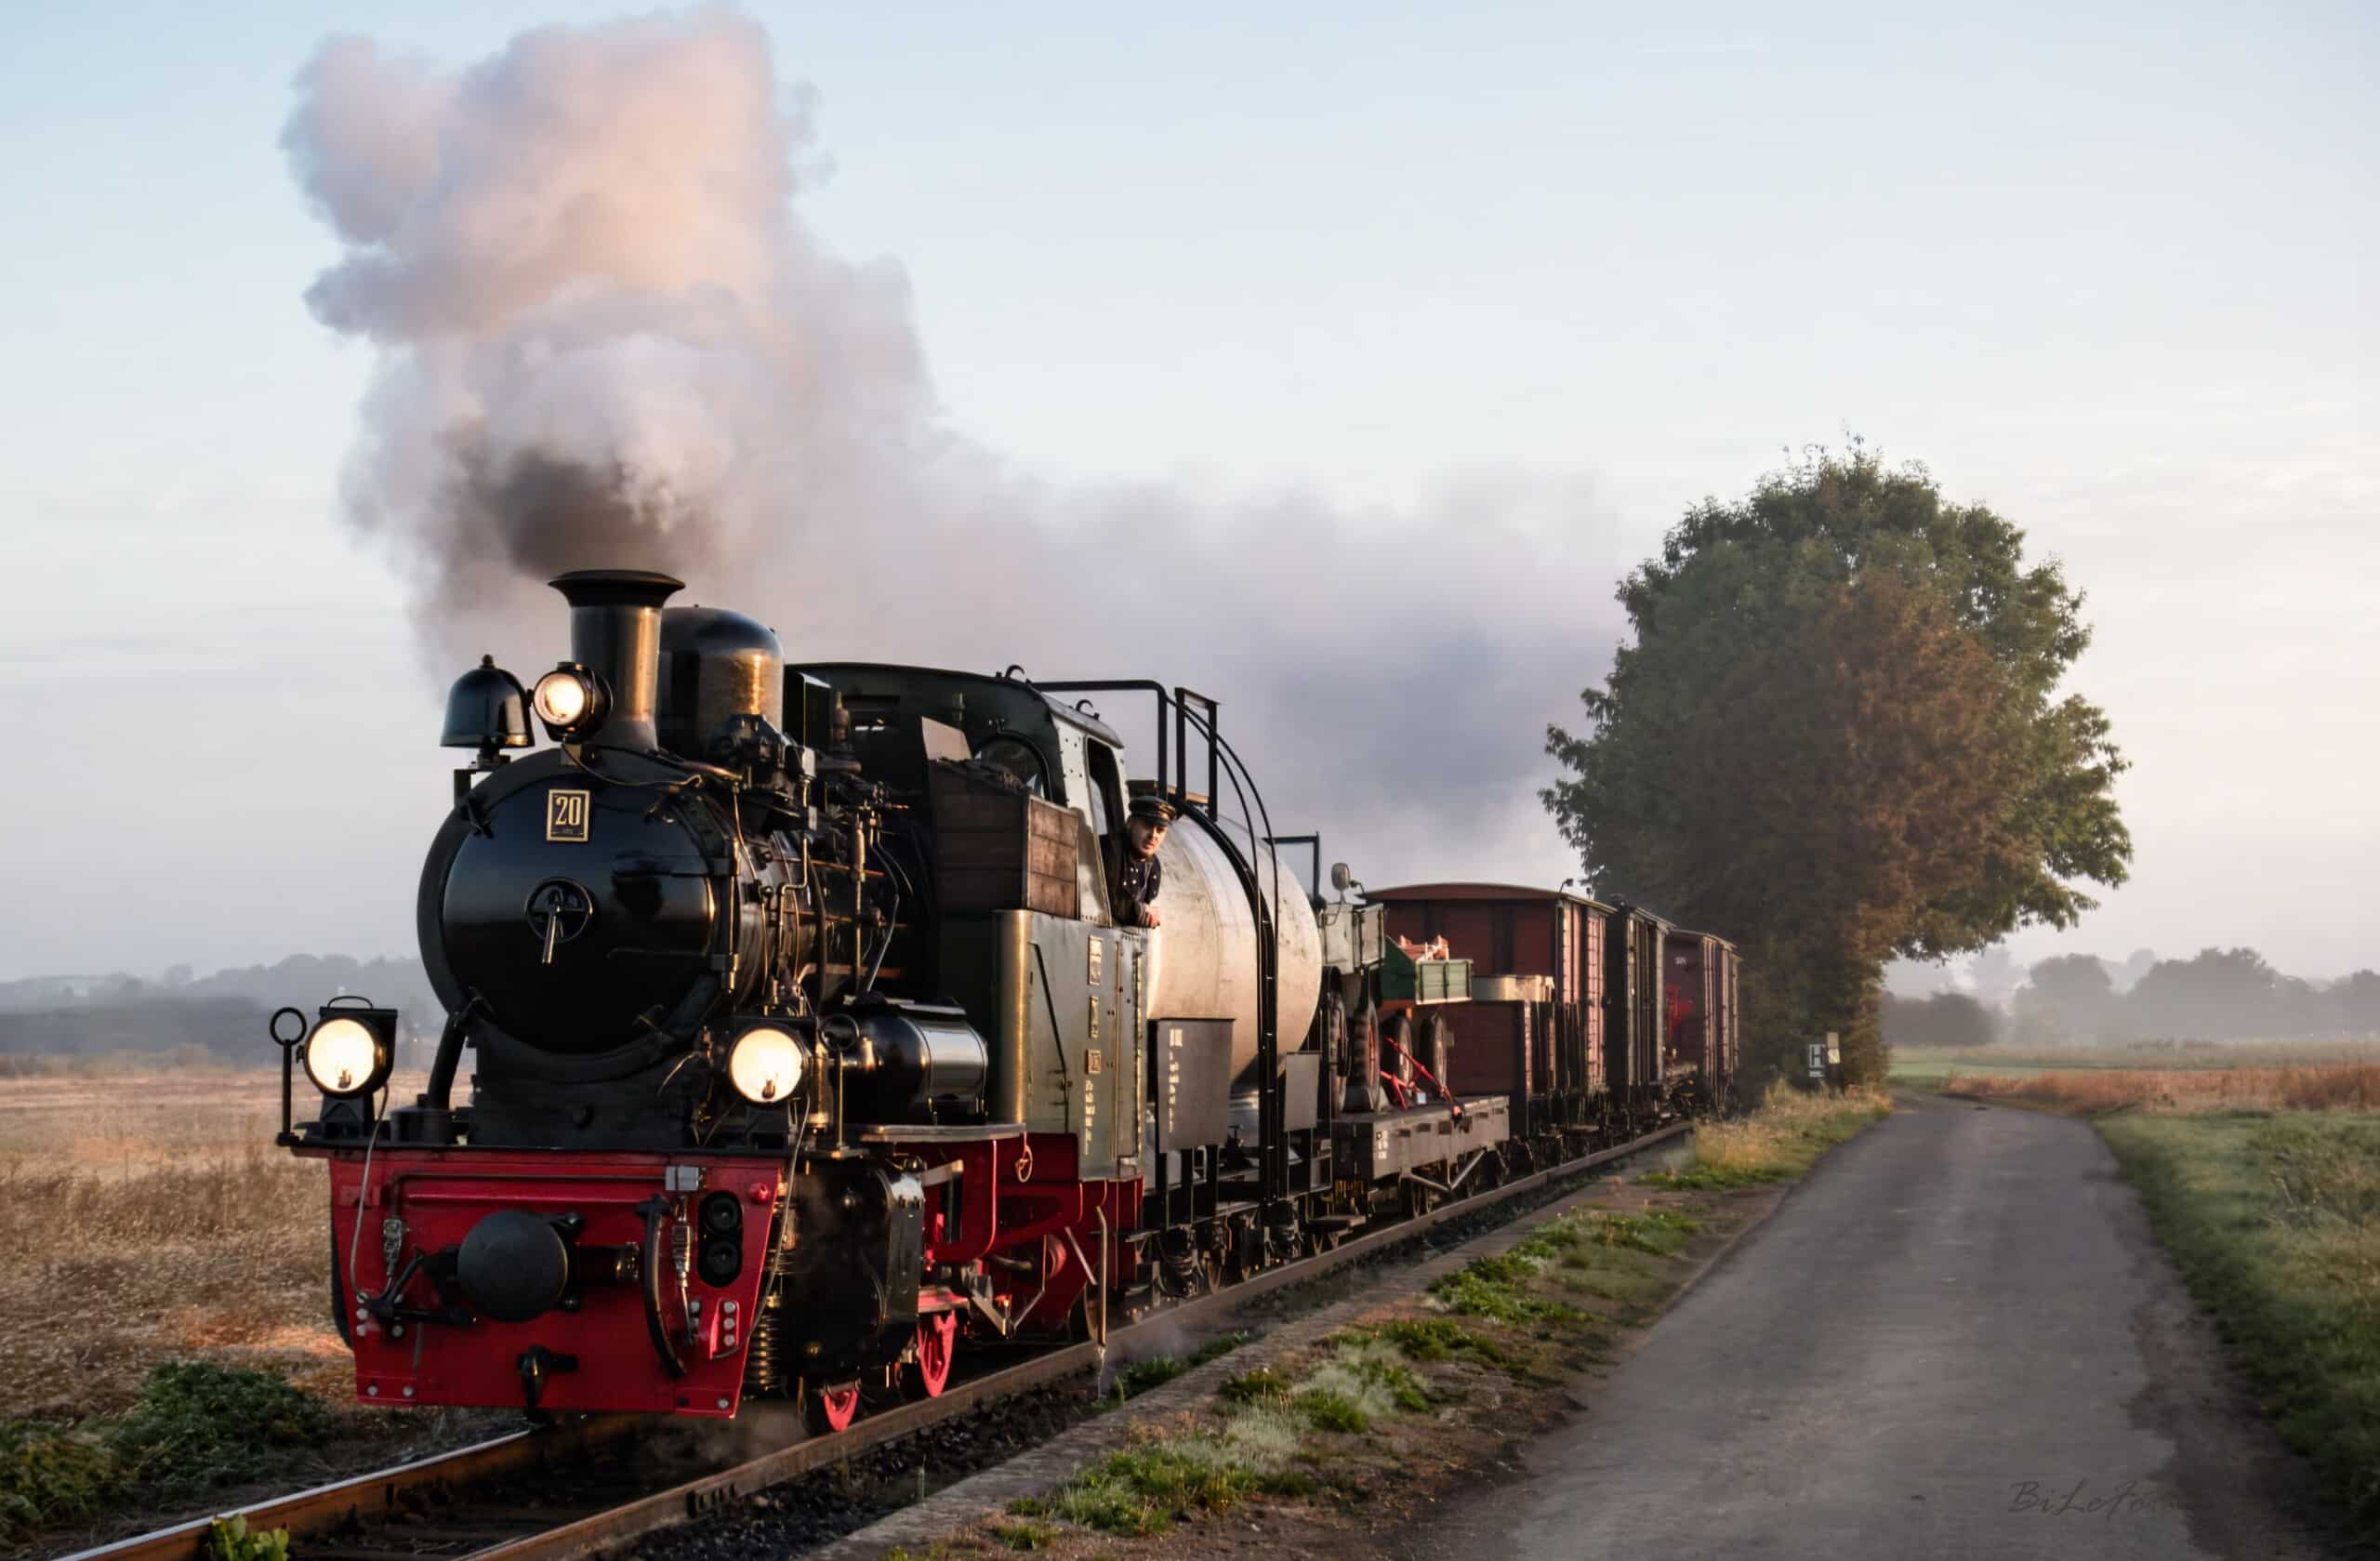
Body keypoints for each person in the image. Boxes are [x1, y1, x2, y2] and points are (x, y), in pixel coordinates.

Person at [1112, 795, 1173, 928]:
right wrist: (1139, 911)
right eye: (1147, 826)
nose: (1153, 835)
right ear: (1130, 823)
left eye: (1160, 830)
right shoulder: (1111, 851)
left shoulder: (1154, 866)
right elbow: (1102, 902)